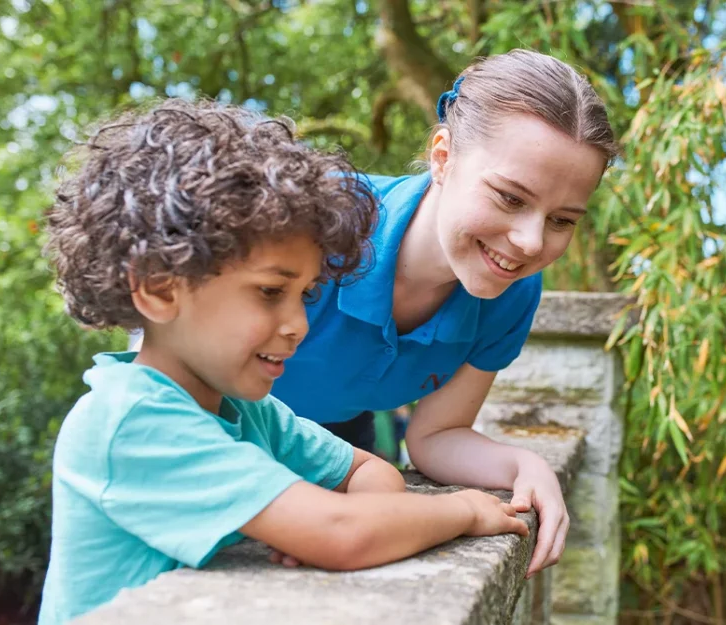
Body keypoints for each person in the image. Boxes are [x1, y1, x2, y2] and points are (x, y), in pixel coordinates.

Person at [38, 100, 528, 625]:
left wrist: (317, 525)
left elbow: (372, 473)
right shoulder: (130, 421)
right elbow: (344, 534)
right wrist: (464, 510)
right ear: (159, 288)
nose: (299, 323)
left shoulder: (250, 413)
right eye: (271, 292)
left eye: (307, 292)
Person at [269, 49, 619, 578]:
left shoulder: (514, 291)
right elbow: (180, 364)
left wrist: (525, 464)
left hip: (340, 448)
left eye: (563, 220)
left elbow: (435, 435)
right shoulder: (313, 222)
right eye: (509, 198)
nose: (529, 242)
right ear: (442, 155)